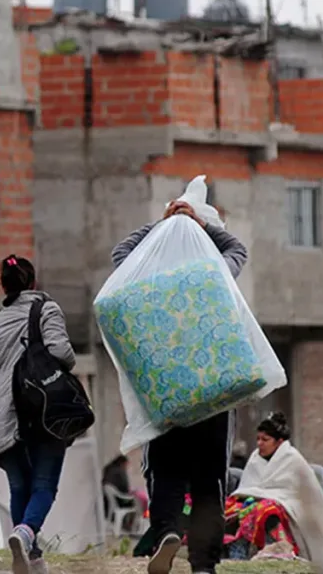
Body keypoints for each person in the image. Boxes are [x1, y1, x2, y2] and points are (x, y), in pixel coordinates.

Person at [112, 198, 248, 574]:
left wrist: (164, 225)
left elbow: (120, 252)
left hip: (165, 397)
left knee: (165, 474)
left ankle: (168, 533)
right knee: (210, 482)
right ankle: (204, 564)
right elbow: (238, 248)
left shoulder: (146, 276)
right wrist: (198, 226)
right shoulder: (214, 272)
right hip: (212, 396)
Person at [0, 254, 76, 574]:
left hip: (3, 419)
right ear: (33, 283)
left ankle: (30, 559)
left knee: (20, 487)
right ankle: (25, 533)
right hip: (44, 414)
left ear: (3, 286)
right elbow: (62, 352)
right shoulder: (47, 309)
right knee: (44, 485)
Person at [224, 413, 323, 563]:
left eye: (265, 440)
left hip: (290, 510)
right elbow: (247, 487)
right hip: (254, 502)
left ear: (279, 442)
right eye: (258, 439)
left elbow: (297, 496)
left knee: (266, 509)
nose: (259, 443)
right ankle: (236, 554)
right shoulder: (255, 458)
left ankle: (276, 551)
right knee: (232, 509)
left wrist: (268, 499)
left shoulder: (293, 459)